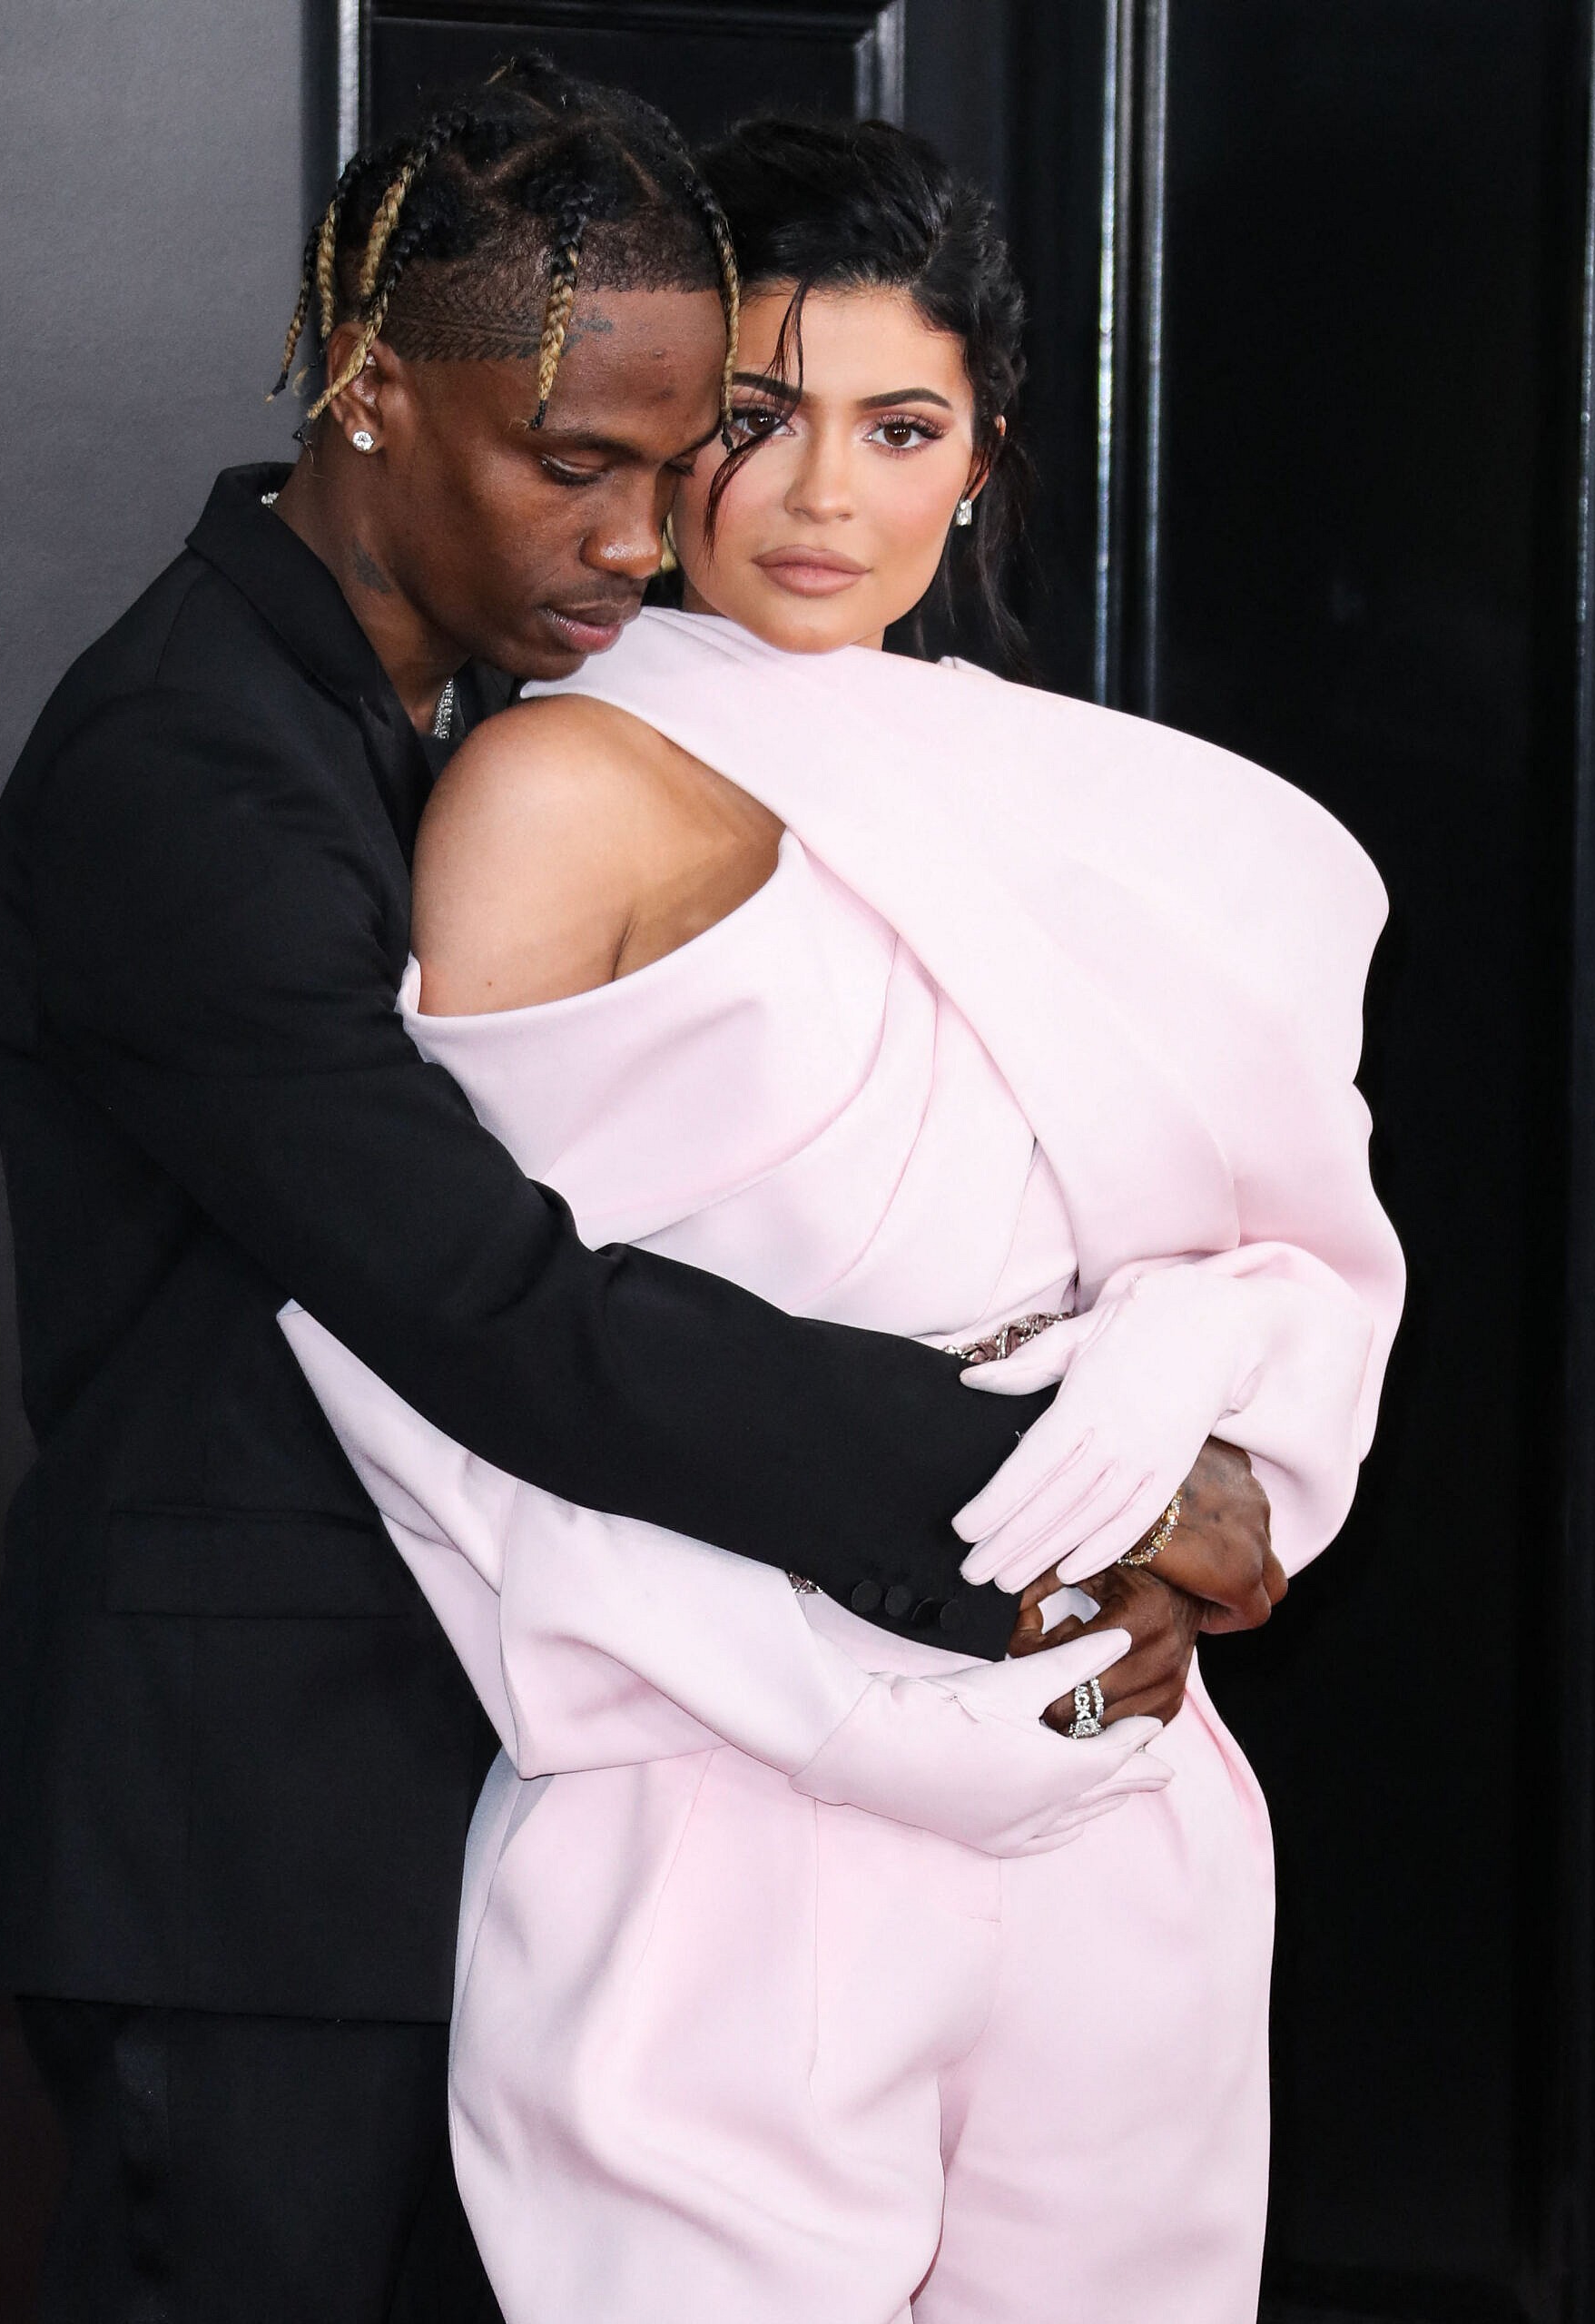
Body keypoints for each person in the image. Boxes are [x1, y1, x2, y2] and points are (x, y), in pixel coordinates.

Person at [0, 62, 1265, 2322]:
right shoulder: (188, 764)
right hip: (240, 1842)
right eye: (576, 468)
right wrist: (1055, 1503)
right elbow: (491, 1305)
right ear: (371, 393)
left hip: (462, 1782)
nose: (644, 539)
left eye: (674, 471)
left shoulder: (419, 716)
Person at [283, 114, 1404, 2323]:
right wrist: (915, 1674)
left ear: (981, 454)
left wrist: (1177, 1402)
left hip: (1122, 1786)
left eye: (900, 427)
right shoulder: (550, 784)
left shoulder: (1119, 803)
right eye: (757, 421)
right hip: (732, 1811)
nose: (818, 502)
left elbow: (1296, 1270)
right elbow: (462, 1363)